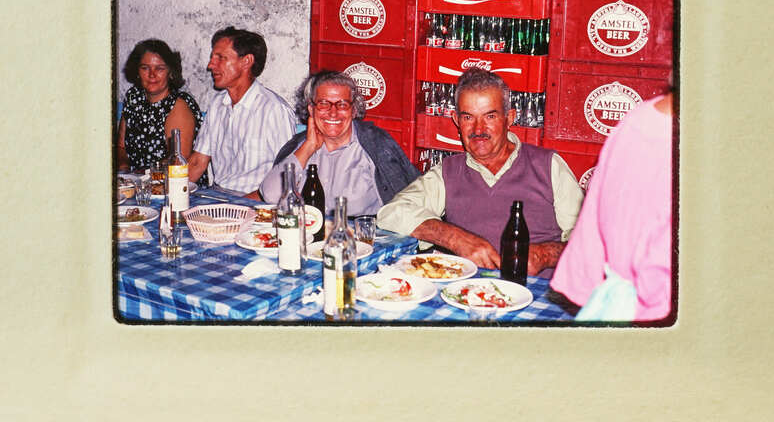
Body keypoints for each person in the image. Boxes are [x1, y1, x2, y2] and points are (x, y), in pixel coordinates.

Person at [378, 69, 584, 274]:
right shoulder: (448, 172)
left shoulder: (547, 166)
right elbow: (391, 213)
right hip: (469, 289)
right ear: (456, 120)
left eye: (490, 116)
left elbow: (589, 240)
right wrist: (454, 238)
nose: (478, 129)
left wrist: (546, 255)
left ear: (509, 118)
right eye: (468, 117)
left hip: (538, 290)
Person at [549, 93, 674, 321]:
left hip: (618, 306)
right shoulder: (644, 128)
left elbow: (584, 240)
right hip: (644, 311)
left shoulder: (638, 121)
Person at [260, 71, 420, 214]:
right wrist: (308, 147)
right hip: (307, 233)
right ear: (311, 109)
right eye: (323, 104)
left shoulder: (376, 145)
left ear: (354, 110)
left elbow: (409, 204)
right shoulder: (299, 144)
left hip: (360, 235)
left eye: (342, 104)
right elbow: (270, 196)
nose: (333, 113)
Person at [188, 27, 296, 198]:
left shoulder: (274, 110)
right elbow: (197, 162)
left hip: (256, 201)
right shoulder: (218, 104)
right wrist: (166, 193)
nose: (210, 65)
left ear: (246, 61)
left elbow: (288, 175)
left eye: (221, 58)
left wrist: (241, 205)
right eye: (212, 58)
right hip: (217, 195)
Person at [116, 39, 203, 172]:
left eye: (159, 68)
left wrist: (140, 176)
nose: (152, 75)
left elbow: (177, 161)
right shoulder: (133, 97)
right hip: (136, 179)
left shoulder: (178, 105)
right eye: (145, 68)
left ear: (170, 72)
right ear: (137, 71)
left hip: (173, 180)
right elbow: (121, 147)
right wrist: (124, 168)